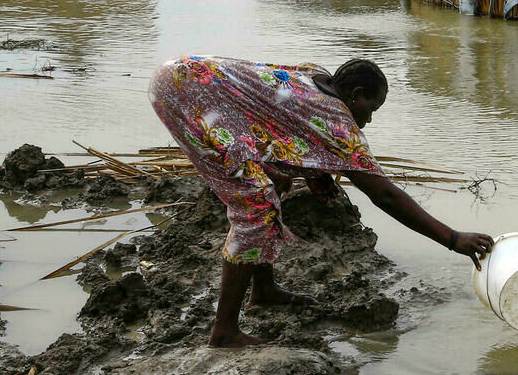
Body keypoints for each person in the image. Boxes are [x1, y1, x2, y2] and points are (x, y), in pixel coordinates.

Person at [149, 55, 493, 348]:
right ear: (356, 96)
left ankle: (264, 290)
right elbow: (384, 194)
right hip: (186, 95)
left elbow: (294, 124)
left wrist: (319, 174)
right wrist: (452, 238)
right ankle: (224, 332)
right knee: (255, 209)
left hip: (184, 74)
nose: (368, 120)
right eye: (371, 110)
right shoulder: (339, 125)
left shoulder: (316, 75)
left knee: (275, 181)